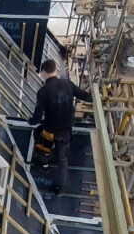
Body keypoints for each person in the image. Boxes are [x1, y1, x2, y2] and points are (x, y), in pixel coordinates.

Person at [30, 58, 92, 194]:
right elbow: (83, 95)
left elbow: (37, 116)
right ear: (56, 71)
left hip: (50, 130)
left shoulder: (44, 91)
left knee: (38, 136)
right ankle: (59, 188)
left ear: (43, 72)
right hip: (66, 130)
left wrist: (31, 122)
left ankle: (44, 163)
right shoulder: (67, 84)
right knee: (62, 159)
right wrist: (95, 97)